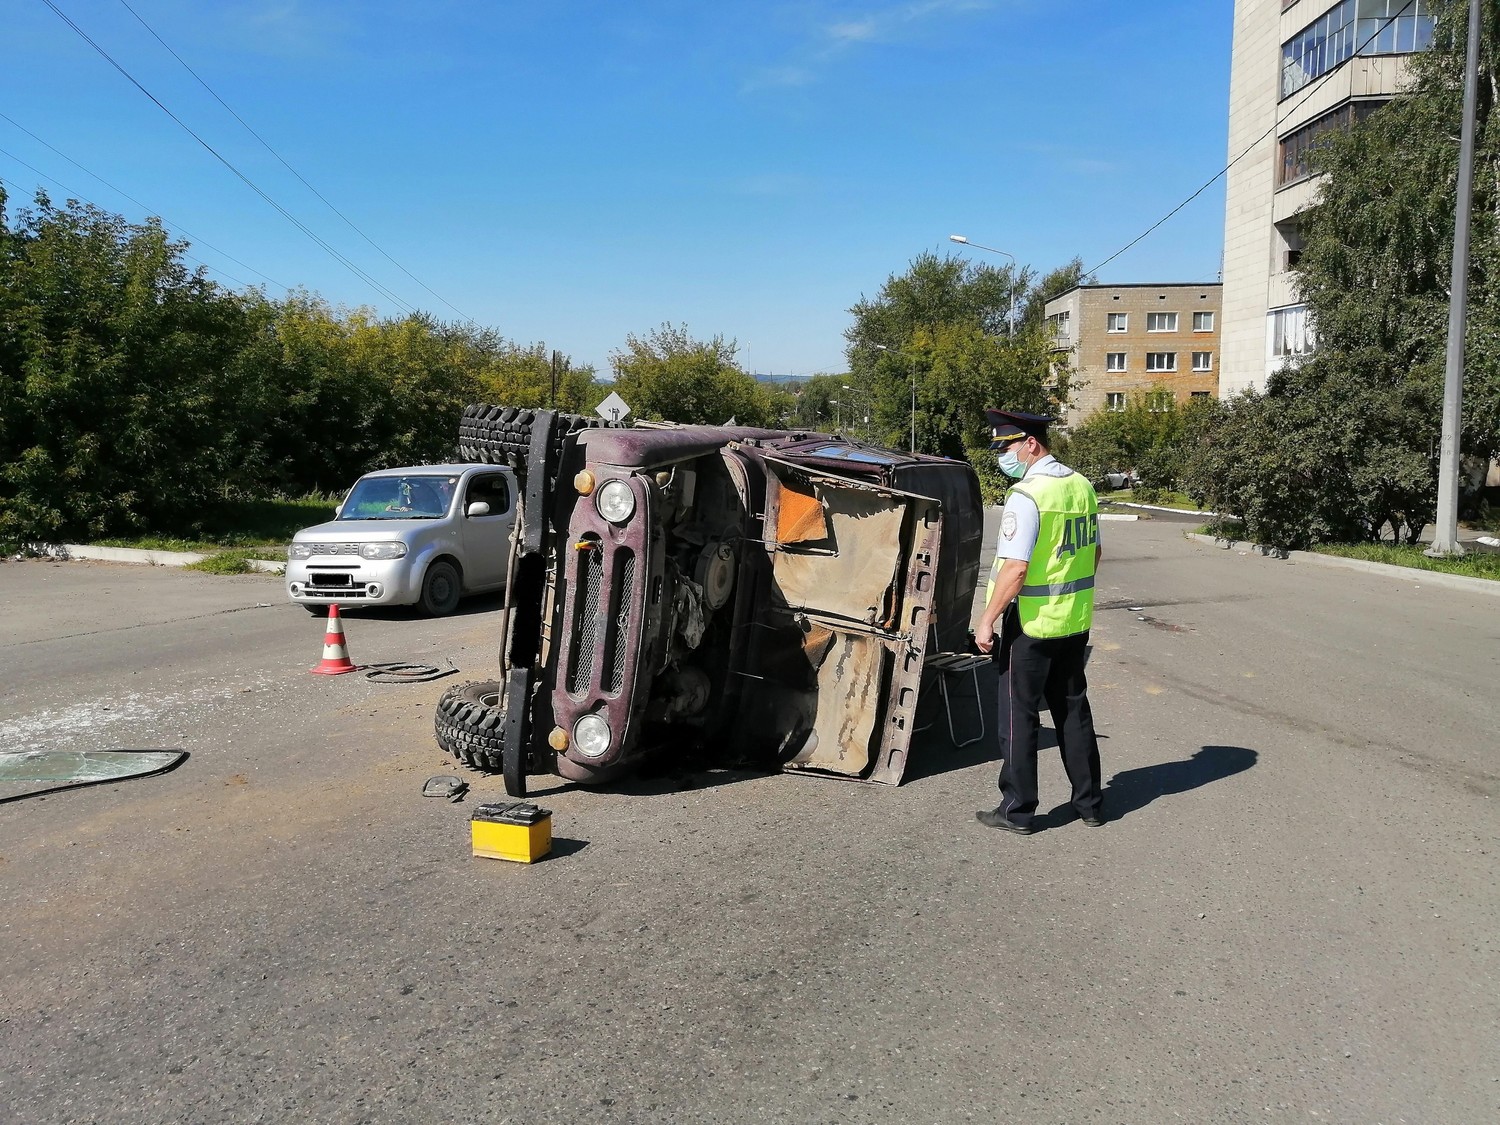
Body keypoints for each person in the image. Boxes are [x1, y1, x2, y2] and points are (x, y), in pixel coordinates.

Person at [972, 409, 1104, 834]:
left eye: (1007, 447)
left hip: (1030, 624)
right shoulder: (1081, 486)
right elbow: (1096, 553)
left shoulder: (1028, 495)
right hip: (1074, 621)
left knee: (1018, 715)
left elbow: (1016, 569)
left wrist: (987, 620)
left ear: (1031, 443)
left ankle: (1018, 810)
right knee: (1072, 710)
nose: (1003, 456)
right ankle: (1089, 804)